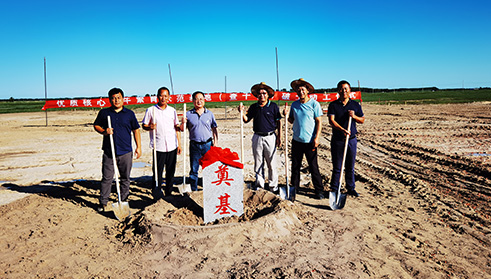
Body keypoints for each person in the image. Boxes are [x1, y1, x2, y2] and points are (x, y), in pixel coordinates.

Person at [93, 87, 142, 212]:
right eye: (113, 98)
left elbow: (136, 130)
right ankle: (103, 202)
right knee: (107, 178)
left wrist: (138, 147)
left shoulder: (129, 114)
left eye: (118, 98)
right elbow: (96, 125)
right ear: (110, 100)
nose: (116, 100)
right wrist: (105, 131)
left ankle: (124, 200)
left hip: (125, 151)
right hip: (109, 152)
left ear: (123, 99)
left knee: (125, 177)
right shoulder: (104, 113)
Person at [239, 82, 282, 192]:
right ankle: (260, 185)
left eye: (264, 93)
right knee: (258, 162)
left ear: (268, 95)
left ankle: (273, 186)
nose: (262, 95)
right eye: (259, 93)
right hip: (257, 137)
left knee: (271, 163)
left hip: (270, 137)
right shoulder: (254, 107)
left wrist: (279, 137)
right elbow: (246, 119)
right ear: (257, 95)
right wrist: (242, 112)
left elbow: (279, 123)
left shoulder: (273, 106)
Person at [286, 78, 324, 200]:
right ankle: (294, 190)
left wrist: (317, 138)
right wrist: (286, 114)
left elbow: (319, 122)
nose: (300, 91)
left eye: (303, 89)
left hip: (310, 141)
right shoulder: (295, 105)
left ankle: (319, 191)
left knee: (313, 167)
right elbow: (291, 120)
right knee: (295, 167)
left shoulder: (314, 104)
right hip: (297, 141)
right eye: (298, 89)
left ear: (307, 90)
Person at [142, 87, 182, 199]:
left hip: (171, 146)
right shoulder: (151, 110)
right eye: (161, 95)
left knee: (170, 171)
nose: (163, 98)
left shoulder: (172, 111)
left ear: (169, 97)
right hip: (158, 146)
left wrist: (179, 144)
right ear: (157, 96)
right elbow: (144, 125)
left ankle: (168, 193)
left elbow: (176, 128)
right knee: (157, 171)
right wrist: (149, 127)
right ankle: (157, 192)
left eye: (165, 96)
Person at [328, 80, 365, 197]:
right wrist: (342, 130)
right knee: (337, 166)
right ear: (338, 91)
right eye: (341, 89)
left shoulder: (355, 105)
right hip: (338, 140)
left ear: (349, 91)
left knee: (350, 166)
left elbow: (362, 120)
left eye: (346, 89)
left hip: (351, 140)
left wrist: (354, 116)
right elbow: (331, 121)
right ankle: (334, 189)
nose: (344, 91)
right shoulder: (333, 105)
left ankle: (351, 188)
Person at [180, 91, 218, 191]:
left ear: (204, 100)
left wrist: (216, 142)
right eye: (196, 99)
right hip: (194, 145)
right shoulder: (188, 114)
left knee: (209, 167)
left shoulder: (209, 114)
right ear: (193, 101)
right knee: (194, 169)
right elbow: (182, 129)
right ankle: (194, 189)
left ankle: (209, 188)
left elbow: (214, 128)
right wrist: (183, 122)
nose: (199, 101)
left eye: (201, 99)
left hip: (207, 144)